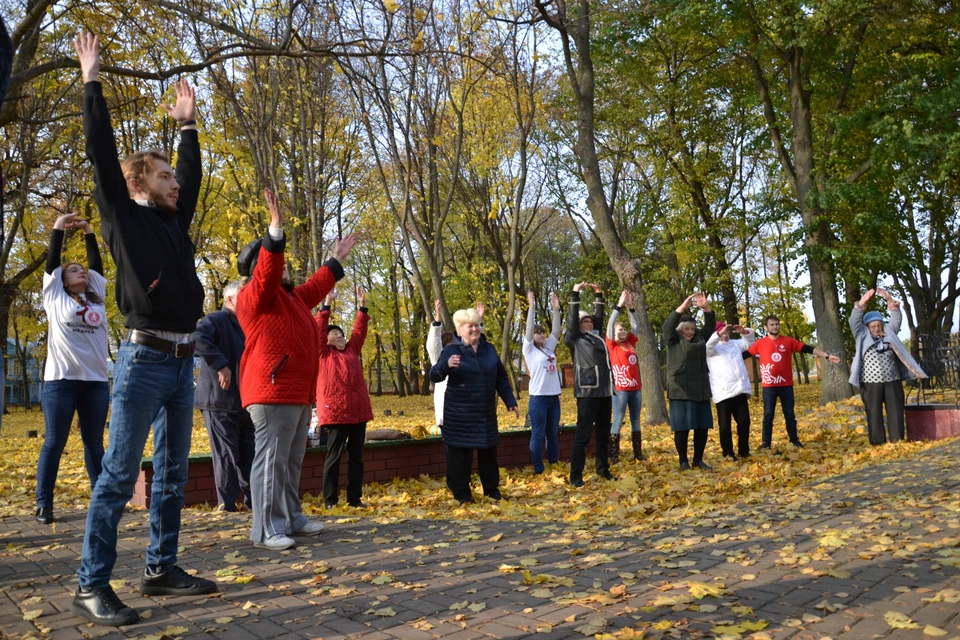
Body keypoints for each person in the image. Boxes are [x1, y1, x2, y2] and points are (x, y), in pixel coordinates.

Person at [71, 33, 215, 627]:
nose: (174, 182)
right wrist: (91, 83)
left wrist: (187, 129)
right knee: (119, 476)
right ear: (137, 185)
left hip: (184, 365)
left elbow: (192, 176)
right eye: (161, 176)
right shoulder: (124, 218)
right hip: (142, 364)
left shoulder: (173, 223)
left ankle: (160, 569)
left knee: (175, 472)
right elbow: (103, 153)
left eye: (171, 175)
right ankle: (91, 583)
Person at [236, 188, 355, 551]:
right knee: (271, 460)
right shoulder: (254, 297)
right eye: (276, 261)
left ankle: (291, 518)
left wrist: (334, 261)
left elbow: (317, 286)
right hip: (271, 392)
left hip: (296, 393)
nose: (283, 265)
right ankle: (266, 528)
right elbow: (268, 274)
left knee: (288, 461)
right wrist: (275, 231)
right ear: (259, 266)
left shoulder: (292, 299)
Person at [35, 213, 109, 525]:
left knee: (94, 443)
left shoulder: (98, 300)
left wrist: (89, 232)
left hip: (95, 382)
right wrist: (57, 229)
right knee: (55, 441)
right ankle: (44, 504)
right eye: (74, 271)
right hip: (61, 382)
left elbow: (97, 266)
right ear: (62, 280)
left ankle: (103, 502)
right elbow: (53, 262)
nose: (82, 273)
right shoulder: (54, 297)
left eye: (83, 271)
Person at [430, 308, 519, 503]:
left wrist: (510, 402)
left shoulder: (490, 350)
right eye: (470, 326)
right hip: (459, 415)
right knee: (460, 457)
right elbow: (434, 375)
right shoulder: (451, 350)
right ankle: (462, 495)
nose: (475, 329)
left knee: (489, 454)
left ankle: (492, 491)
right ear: (460, 329)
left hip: (484, 413)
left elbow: (501, 378)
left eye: (477, 325)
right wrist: (446, 366)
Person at [194, 280, 253, 512]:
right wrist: (221, 365)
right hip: (219, 401)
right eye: (243, 296)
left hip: (246, 402)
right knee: (227, 455)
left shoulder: (248, 323)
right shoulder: (216, 320)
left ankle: (253, 503)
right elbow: (198, 337)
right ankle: (227, 506)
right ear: (230, 300)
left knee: (250, 454)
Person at [317, 286, 373, 509]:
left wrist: (362, 307)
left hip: (358, 412)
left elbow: (359, 331)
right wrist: (327, 303)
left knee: (356, 457)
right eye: (335, 334)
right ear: (327, 339)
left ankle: (354, 499)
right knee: (333, 457)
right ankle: (330, 500)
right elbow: (320, 328)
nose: (340, 336)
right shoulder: (322, 353)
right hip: (335, 413)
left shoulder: (352, 350)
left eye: (341, 334)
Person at [748, 315, 842, 449]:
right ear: (766, 327)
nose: (775, 327)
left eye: (776, 324)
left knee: (790, 414)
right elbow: (744, 355)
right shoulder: (760, 343)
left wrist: (826, 355)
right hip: (769, 386)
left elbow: (808, 349)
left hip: (786, 385)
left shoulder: (788, 341)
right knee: (768, 414)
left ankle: (794, 440)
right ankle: (766, 443)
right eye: (772, 325)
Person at [849, 288, 926, 445]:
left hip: (893, 380)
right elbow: (854, 321)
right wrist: (862, 302)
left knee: (896, 412)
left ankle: (897, 442)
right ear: (867, 327)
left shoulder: (889, 332)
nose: (876, 329)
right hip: (870, 383)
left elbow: (896, 318)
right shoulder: (861, 334)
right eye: (873, 326)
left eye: (878, 325)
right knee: (874, 413)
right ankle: (878, 443)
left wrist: (889, 299)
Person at [566, 282, 614, 487]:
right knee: (583, 435)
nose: (589, 323)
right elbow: (571, 319)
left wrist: (598, 294)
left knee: (603, 434)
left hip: (605, 391)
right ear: (578, 324)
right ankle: (576, 475)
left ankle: (603, 470)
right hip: (587, 391)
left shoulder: (597, 338)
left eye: (590, 321)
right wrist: (576, 293)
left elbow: (599, 318)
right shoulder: (575, 338)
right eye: (584, 321)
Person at [663, 293, 716, 470]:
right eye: (687, 329)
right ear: (680, 329)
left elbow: (710, 326)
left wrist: (706, 308)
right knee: (682, 428)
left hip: (700, 389)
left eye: (693, 329)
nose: (691, 332)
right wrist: (682, 308)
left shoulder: (700, 337)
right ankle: (683, 461)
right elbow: (667, 326)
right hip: (681, 390)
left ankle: (698, 460)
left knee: (702, 427)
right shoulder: (673, 339)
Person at [522, 290, 562, 474]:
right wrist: (531, 307)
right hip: (538, 399)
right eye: (538, 333)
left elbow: (556, 331)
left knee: (552, 434)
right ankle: (539, 468)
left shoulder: (549, 348)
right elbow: (529, 330)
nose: (541, 334)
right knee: (538, 434)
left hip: (554, 398)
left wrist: (556, 309)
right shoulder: (529, 350)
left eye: (542, 332)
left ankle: (554, 464)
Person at [706, 322, 756, 459]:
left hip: (740, 390)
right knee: (725, 425)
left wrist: (745, 332)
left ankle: (744, 450)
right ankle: (728, 453)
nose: (725, 335)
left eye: (727, 332)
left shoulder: (735, 344)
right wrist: (718, 335)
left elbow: (749, 344)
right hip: (723, 393)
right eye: (722, 333)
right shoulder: (711, 349)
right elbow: (708, 346)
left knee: (744, 422)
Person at [605, 290, 643, 463]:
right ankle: (614, 455)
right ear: (613, 332)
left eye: (624, 329)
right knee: (618, 419)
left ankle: (638, 454)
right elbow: (611, 323)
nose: (624, 331)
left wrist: (631, 307)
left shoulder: (630, 342)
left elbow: (637, 326)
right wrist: (619, 305)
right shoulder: (611, 344)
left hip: (636, 388)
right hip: (620, 389)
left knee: (636, 420)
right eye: (620, 329)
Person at [426, 299, 454, 436]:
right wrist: (437, 319)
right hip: (446, 412)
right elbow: (433, 343)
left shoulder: (461, 358)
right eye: (448, 344)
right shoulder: (439, 358)